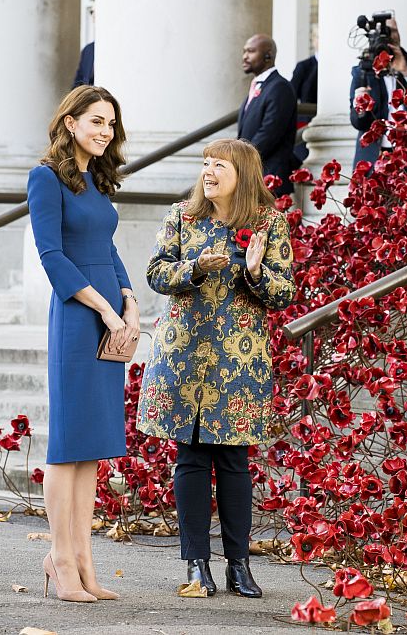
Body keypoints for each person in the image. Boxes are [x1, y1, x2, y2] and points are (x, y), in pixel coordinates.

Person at [137, 138, 297, 598]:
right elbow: (155, 272)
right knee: (189, 458)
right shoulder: (181, 216)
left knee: (233, 461)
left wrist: (254, 269)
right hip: (184, 354)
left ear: (242, 173)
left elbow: (284, 292)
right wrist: (194, 268)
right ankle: (195, 565)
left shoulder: (267, 222)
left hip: (238, 360)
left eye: (219, 165)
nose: (208, 171)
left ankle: (239, 566)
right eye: (205, 163)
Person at [27, 85, 140, 602]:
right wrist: (102, 306)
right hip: (77, 315)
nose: (104, 131)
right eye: (96, 121)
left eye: (110, 124)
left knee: (92, 449)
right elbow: (52, 256)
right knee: (68, 445)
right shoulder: (45, 178)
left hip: (111, 313)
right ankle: (60, 558)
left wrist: (130, 299)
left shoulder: (97, 179)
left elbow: (107, 247)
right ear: (69, 122)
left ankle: (86, 559)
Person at [349, 17, 407, 168]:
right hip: (374, 157)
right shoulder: (363, 70)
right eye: (382, 33)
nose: (388, 37)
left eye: (392, 32)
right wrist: (360, 106)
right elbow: (358, 123)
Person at [237, 34, 298, 196]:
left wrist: (238, 158)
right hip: (253, 176)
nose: (244, 57)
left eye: (250, 51)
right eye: (244, 52)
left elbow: (269, 132)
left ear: (268, 55)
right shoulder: (260, 85)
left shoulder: (280, 87)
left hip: (270, 178)